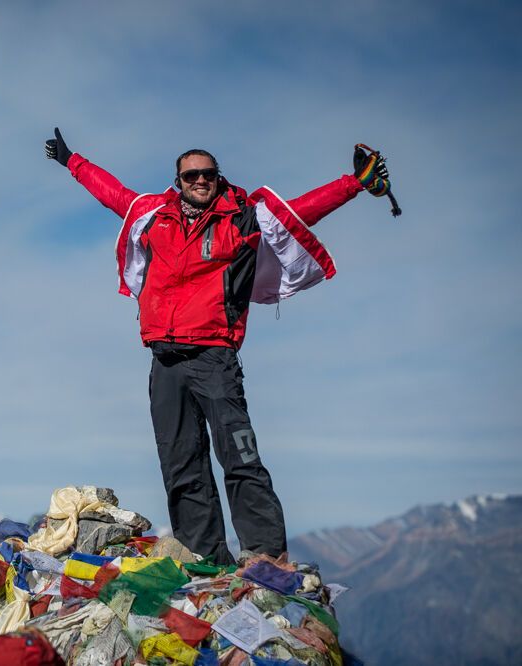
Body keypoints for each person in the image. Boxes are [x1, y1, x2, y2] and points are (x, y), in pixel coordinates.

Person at [45, 128, 391, 564]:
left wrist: (355, 183)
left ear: (218, 177)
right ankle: (204, 557)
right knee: (181, 463)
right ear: (179, 181)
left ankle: (265, 554)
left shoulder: (244, 218)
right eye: (191, 176)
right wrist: (71, 160)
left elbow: (301, 212)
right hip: (164, 360)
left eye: (208, 174)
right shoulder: (154, 215)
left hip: (214, 358)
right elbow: (112, 193)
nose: (200, 181)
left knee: (240, 457)